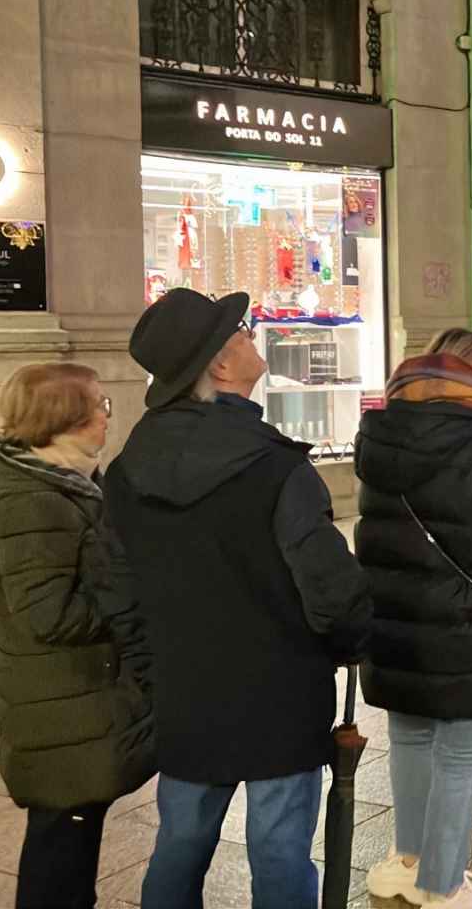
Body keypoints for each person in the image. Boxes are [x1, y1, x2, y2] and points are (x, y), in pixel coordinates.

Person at [102, 289, 371, 908]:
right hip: (278, 688)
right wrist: (352, 640)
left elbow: (117, 591)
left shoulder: (125, 470)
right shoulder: (274, 468)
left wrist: (153, 670)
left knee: (182, 838)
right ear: (219, 367)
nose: (255, 340)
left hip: (185, 688)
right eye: (245, 333)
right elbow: (329, 588)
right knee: (278, 848)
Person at [354, 330, 472, 908]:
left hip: (394, 615)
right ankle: (442, 886)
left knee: (409, 736)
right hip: (465, 620)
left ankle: (404, 862)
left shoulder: (380, 432)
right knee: (460, 754)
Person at [0, 364, 154, 909]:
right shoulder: (31, 501)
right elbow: (48, 616)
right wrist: (130, 598)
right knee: (59, 848)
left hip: (74, 702)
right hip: (60, 705)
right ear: (66, 419)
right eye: (99, 405)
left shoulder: (65, 481)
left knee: (70, 841)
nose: (107, 416)